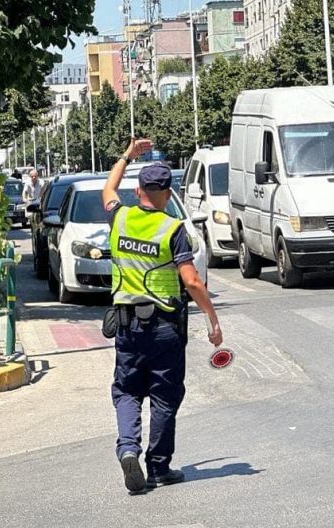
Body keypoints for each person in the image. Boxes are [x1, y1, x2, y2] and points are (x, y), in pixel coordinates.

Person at [102, 139, 223, 495]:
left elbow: (109, 188)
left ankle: (128, 449)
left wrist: (127, 154)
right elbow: (192, 281)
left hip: (126, 326)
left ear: (138, 191)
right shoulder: (173, 230)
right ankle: (157, 468)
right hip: (164, 328)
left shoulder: (120, 216)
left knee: (126, 392)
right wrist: (213, 321)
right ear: (168, 193)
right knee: (165, 397)